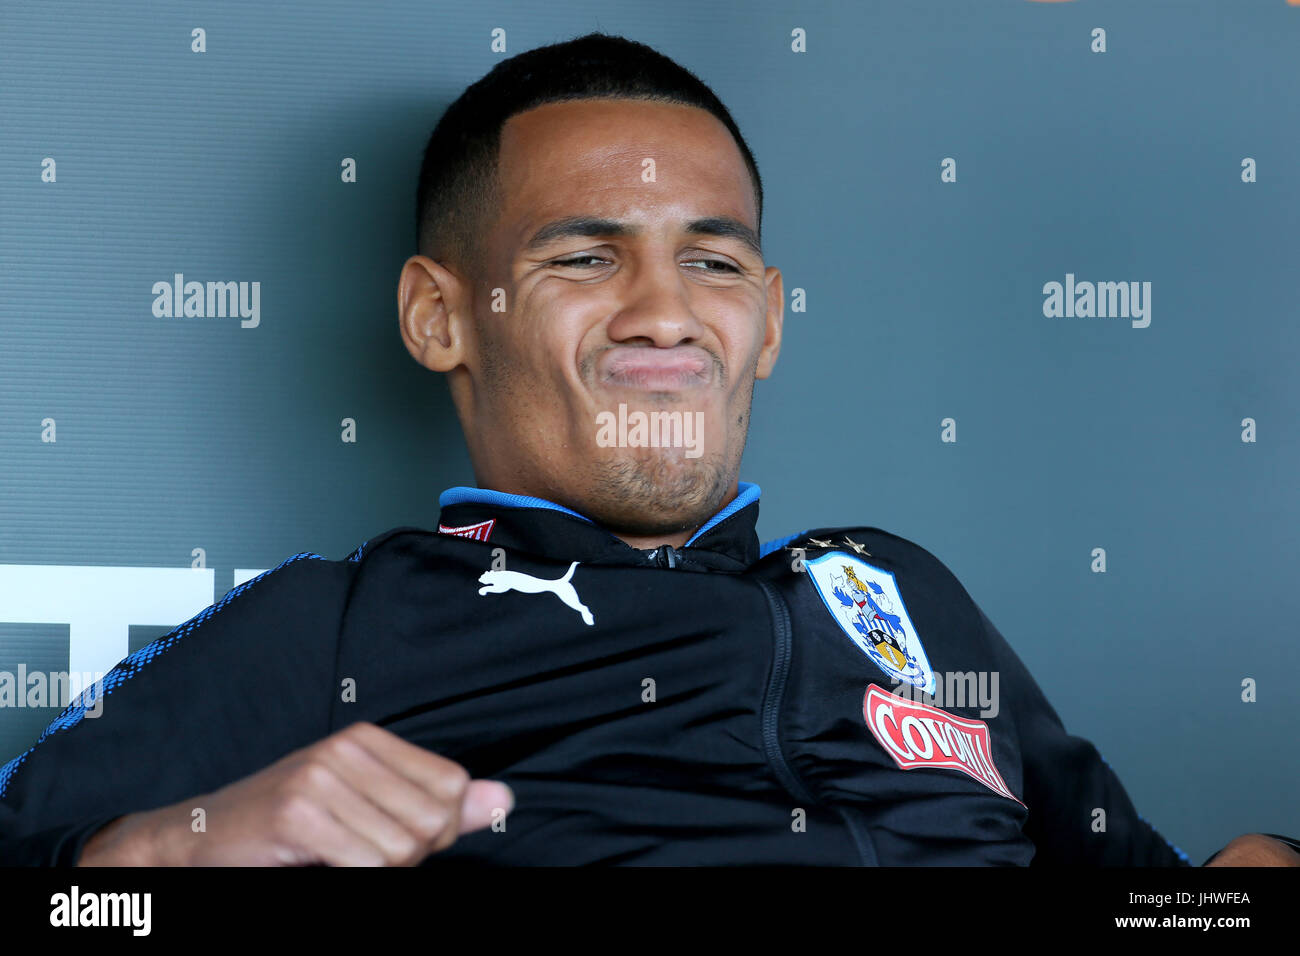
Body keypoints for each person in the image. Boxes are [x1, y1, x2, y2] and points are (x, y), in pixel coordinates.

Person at [1, 31, 1295, 867]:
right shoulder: (339, 629)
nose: (667, 312)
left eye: (713, 261)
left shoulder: (899, 591)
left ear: (770, 321)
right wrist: (172, 852)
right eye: (584, 254)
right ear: (441, 316)